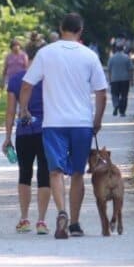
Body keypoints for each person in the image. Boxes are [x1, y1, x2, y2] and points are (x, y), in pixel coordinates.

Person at [19, 13, 107, 239]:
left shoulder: (46, 53)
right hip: (81, 124)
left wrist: (24, 110)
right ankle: (75, 224)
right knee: (78, 173)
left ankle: (61, 212)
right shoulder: (89, 56)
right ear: (81, 30)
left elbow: (27, 85)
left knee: (55, 171)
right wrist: (96, 120)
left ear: (60, 28)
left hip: (54, 124)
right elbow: (101, 93)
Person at [2, 64, 51, 235]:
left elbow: (10, 112)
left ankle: (24, 219)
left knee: (24, 174)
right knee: (44, 174)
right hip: (46, 131)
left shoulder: (16, 80)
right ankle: (42, 221)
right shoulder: (49, 79)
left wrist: (8, 137)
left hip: (24, 133)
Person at [107, 44, 133, 117]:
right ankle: (122, 112)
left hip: (114, 79)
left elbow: (109, 70)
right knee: (124, 96)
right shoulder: (126, 57)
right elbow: (130, 70)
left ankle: (116, 105)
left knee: (114, 94)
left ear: (115, 49)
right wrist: (132, 80)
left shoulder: (112, 58)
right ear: (123, 49)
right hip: (125, 79)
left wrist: (110, 80)